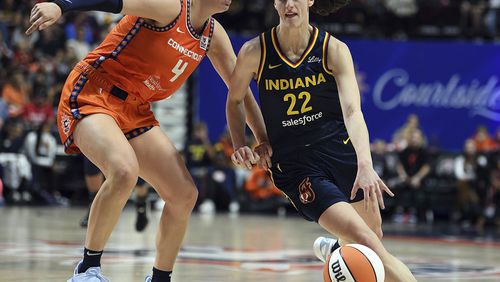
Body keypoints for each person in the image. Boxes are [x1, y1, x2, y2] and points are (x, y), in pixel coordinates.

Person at [27, 0, 268, 281]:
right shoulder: (169, 7)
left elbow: (241, 94)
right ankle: (87, 270)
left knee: (184, 194)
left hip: (135, 109)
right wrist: (61, 5)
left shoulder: (214, 35)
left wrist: (261, 139)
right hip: (93, 91)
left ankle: (160, 278)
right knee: (124, 170)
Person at [226, 0, 416, 281]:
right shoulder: (255, 51)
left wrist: (365, 164)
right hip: (296, 164)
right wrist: (242, 141)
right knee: (368, 243)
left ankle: (336, 251)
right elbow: (235, 99)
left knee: (372, 234)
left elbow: (353, 111)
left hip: (339, 151)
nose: (290, 4)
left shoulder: (334, 49)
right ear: (275, 3)